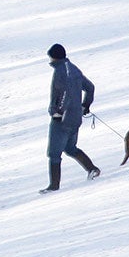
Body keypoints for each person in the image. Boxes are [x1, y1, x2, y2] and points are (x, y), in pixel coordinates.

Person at [42, 43, 99, 191]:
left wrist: (57, 112)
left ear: (54, 56)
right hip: (75, 117)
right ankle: (92, 169)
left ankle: (54, 186)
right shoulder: (73, 69)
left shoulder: (61, 71)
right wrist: (85, 106)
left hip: (62, 119)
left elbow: (64, 95)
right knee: (70, 148)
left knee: (54, 153)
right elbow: (90, 87)